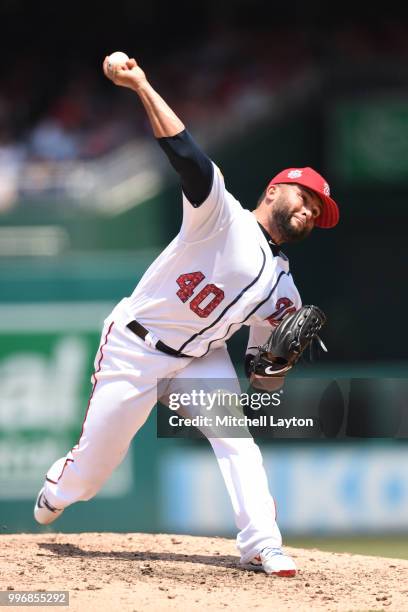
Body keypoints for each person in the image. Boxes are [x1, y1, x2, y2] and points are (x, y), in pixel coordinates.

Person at [34, 55, 340, 577]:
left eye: (319, 208)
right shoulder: (221, 217)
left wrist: (274, 365)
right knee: (90, 475)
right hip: (136, 347)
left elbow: (262, 377)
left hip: (201, 359)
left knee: (237, 442)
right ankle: (58, 488)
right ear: (274, 191)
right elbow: (186, 155)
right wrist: (140, 84)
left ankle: (262, 544)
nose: (311, 208)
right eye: (305, 195)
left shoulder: (284, 288)